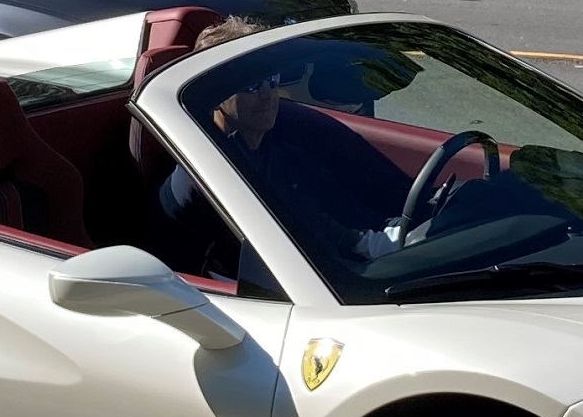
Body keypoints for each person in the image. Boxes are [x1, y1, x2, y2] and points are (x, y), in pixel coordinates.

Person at [155, 19, 412, 278]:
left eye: (272, 79)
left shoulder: (284, 146)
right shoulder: (201, 172)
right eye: (252, 85)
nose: (268, 94)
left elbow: (328, 212)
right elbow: (187, 252)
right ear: (213, 93)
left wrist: (377, 238)